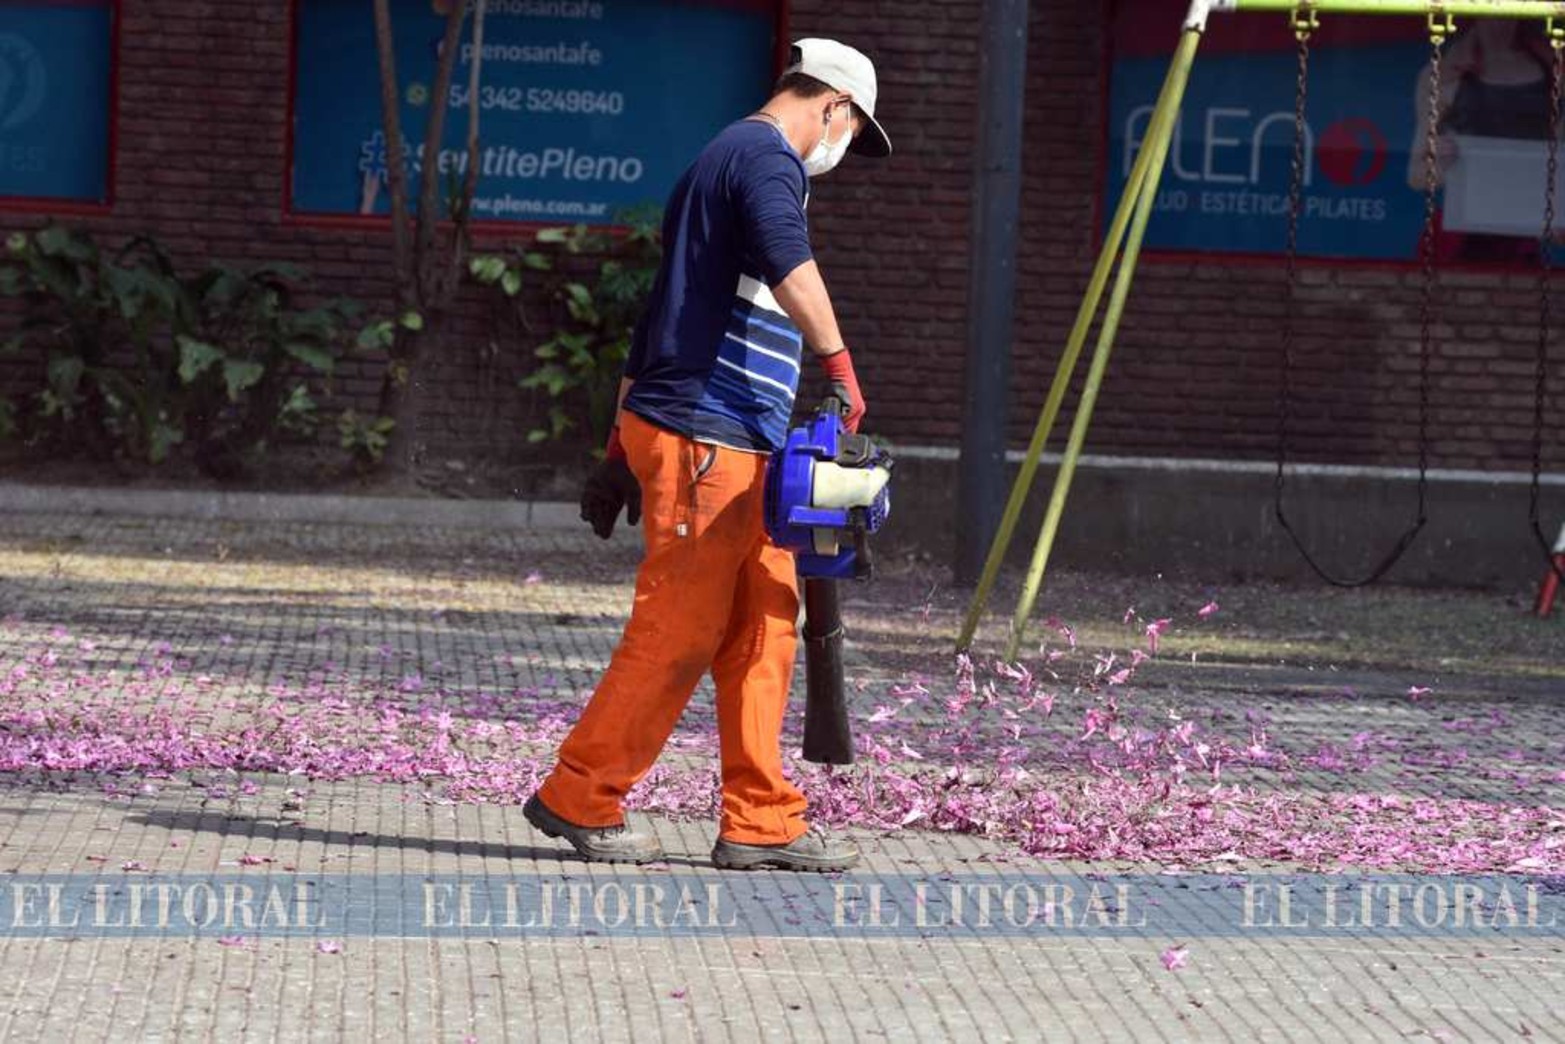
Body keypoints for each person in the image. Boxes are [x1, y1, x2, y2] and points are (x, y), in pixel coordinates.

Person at [523, 39, 892, 872]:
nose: (843, 150)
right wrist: (838, 362)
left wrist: (617, 446)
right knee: (681, 626)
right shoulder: (763, 159)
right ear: (830, 105)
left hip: (735, 437)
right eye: (851, 130)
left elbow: (660, 315)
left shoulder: (720, 164)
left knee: (767, 618)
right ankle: (578, 795)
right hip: (705, 432)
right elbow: (786, 257)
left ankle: (761, 820)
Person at [1407, 18, 1561, 263]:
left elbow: (1559, 163)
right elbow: (1416, 174)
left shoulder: (1553, 74)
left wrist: (1556, 217)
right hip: (1463, 233)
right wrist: (1442, 164)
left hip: (1525, 235)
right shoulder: (1445, 74)